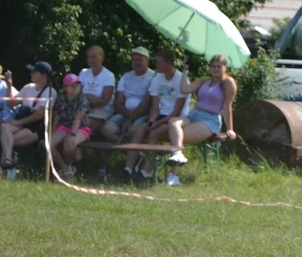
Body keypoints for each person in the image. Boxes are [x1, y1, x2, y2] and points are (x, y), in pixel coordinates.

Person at [164, 54, 238, 186]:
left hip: (210, 118)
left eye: (219, 66)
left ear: (225, 67)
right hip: (194, 114)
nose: (215, 69)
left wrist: (230, 129)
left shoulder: (228, 82)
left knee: (179, 137)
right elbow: (184, 89)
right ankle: (177, 156)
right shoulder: (205, 80)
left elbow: (227, 106)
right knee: (173, 123)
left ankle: (173, 175)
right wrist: (185, 70)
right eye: (213, 66)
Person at [129, 49, 190, 181]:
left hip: (176, 118)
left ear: (169, 63)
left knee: (154, 133)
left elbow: (176, 111)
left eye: (159, 63)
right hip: (160, 116)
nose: (156, 66)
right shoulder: (157, 79)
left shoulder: (181, 80)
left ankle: (146, 171)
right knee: (140, 129)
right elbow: (155, 108)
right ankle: (128, 168)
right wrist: (151, 121)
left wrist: (157, 124)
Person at [0, 61, 57, 174]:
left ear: (44, 75)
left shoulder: (50, 92)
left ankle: (2, 170)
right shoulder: (28, 88)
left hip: (37, 126)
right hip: (23, 122)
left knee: (9, 141)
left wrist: (18, 122)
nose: (31, 74)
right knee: (4, 128)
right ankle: (7, 162)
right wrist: (9, 85)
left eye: (34, 72)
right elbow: (11, 103)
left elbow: (40, 114)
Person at [102, 47, 155, 162]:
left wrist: (131, 119)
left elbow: (147, 103)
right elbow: (118, 101)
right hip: (125, 113)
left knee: (132, 131)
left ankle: (132, 157)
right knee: (107, 130)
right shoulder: (126, 76)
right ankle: (134, 156)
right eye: (134, 60)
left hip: (144, 114)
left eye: (140, 60)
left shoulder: (154, 77)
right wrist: (127, 115)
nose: (137, 62)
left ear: (147, 60)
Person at [51, 73, 91, 178]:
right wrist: (52, 131)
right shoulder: (61, 98)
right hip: (64, 126)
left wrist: (72, 134)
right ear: (65, 87)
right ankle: (65, 168)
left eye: (77, 86)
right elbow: (57, 116)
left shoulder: (83, 99)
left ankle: (69, 167)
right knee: (49, 145)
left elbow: (78, 118)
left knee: (69, 145)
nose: (75, 88)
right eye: (72, 86)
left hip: (81, 127)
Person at [78, 45, 116, 137]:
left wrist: (86, 96)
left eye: (94, 57)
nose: (91, 60)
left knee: (85, 124)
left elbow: (104, 101)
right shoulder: (83, 73)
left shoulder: (108, 75)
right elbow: (77, 95)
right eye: (89, 57)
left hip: (102, 111)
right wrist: (91, 98)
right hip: (84, 109)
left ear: (102, 58)